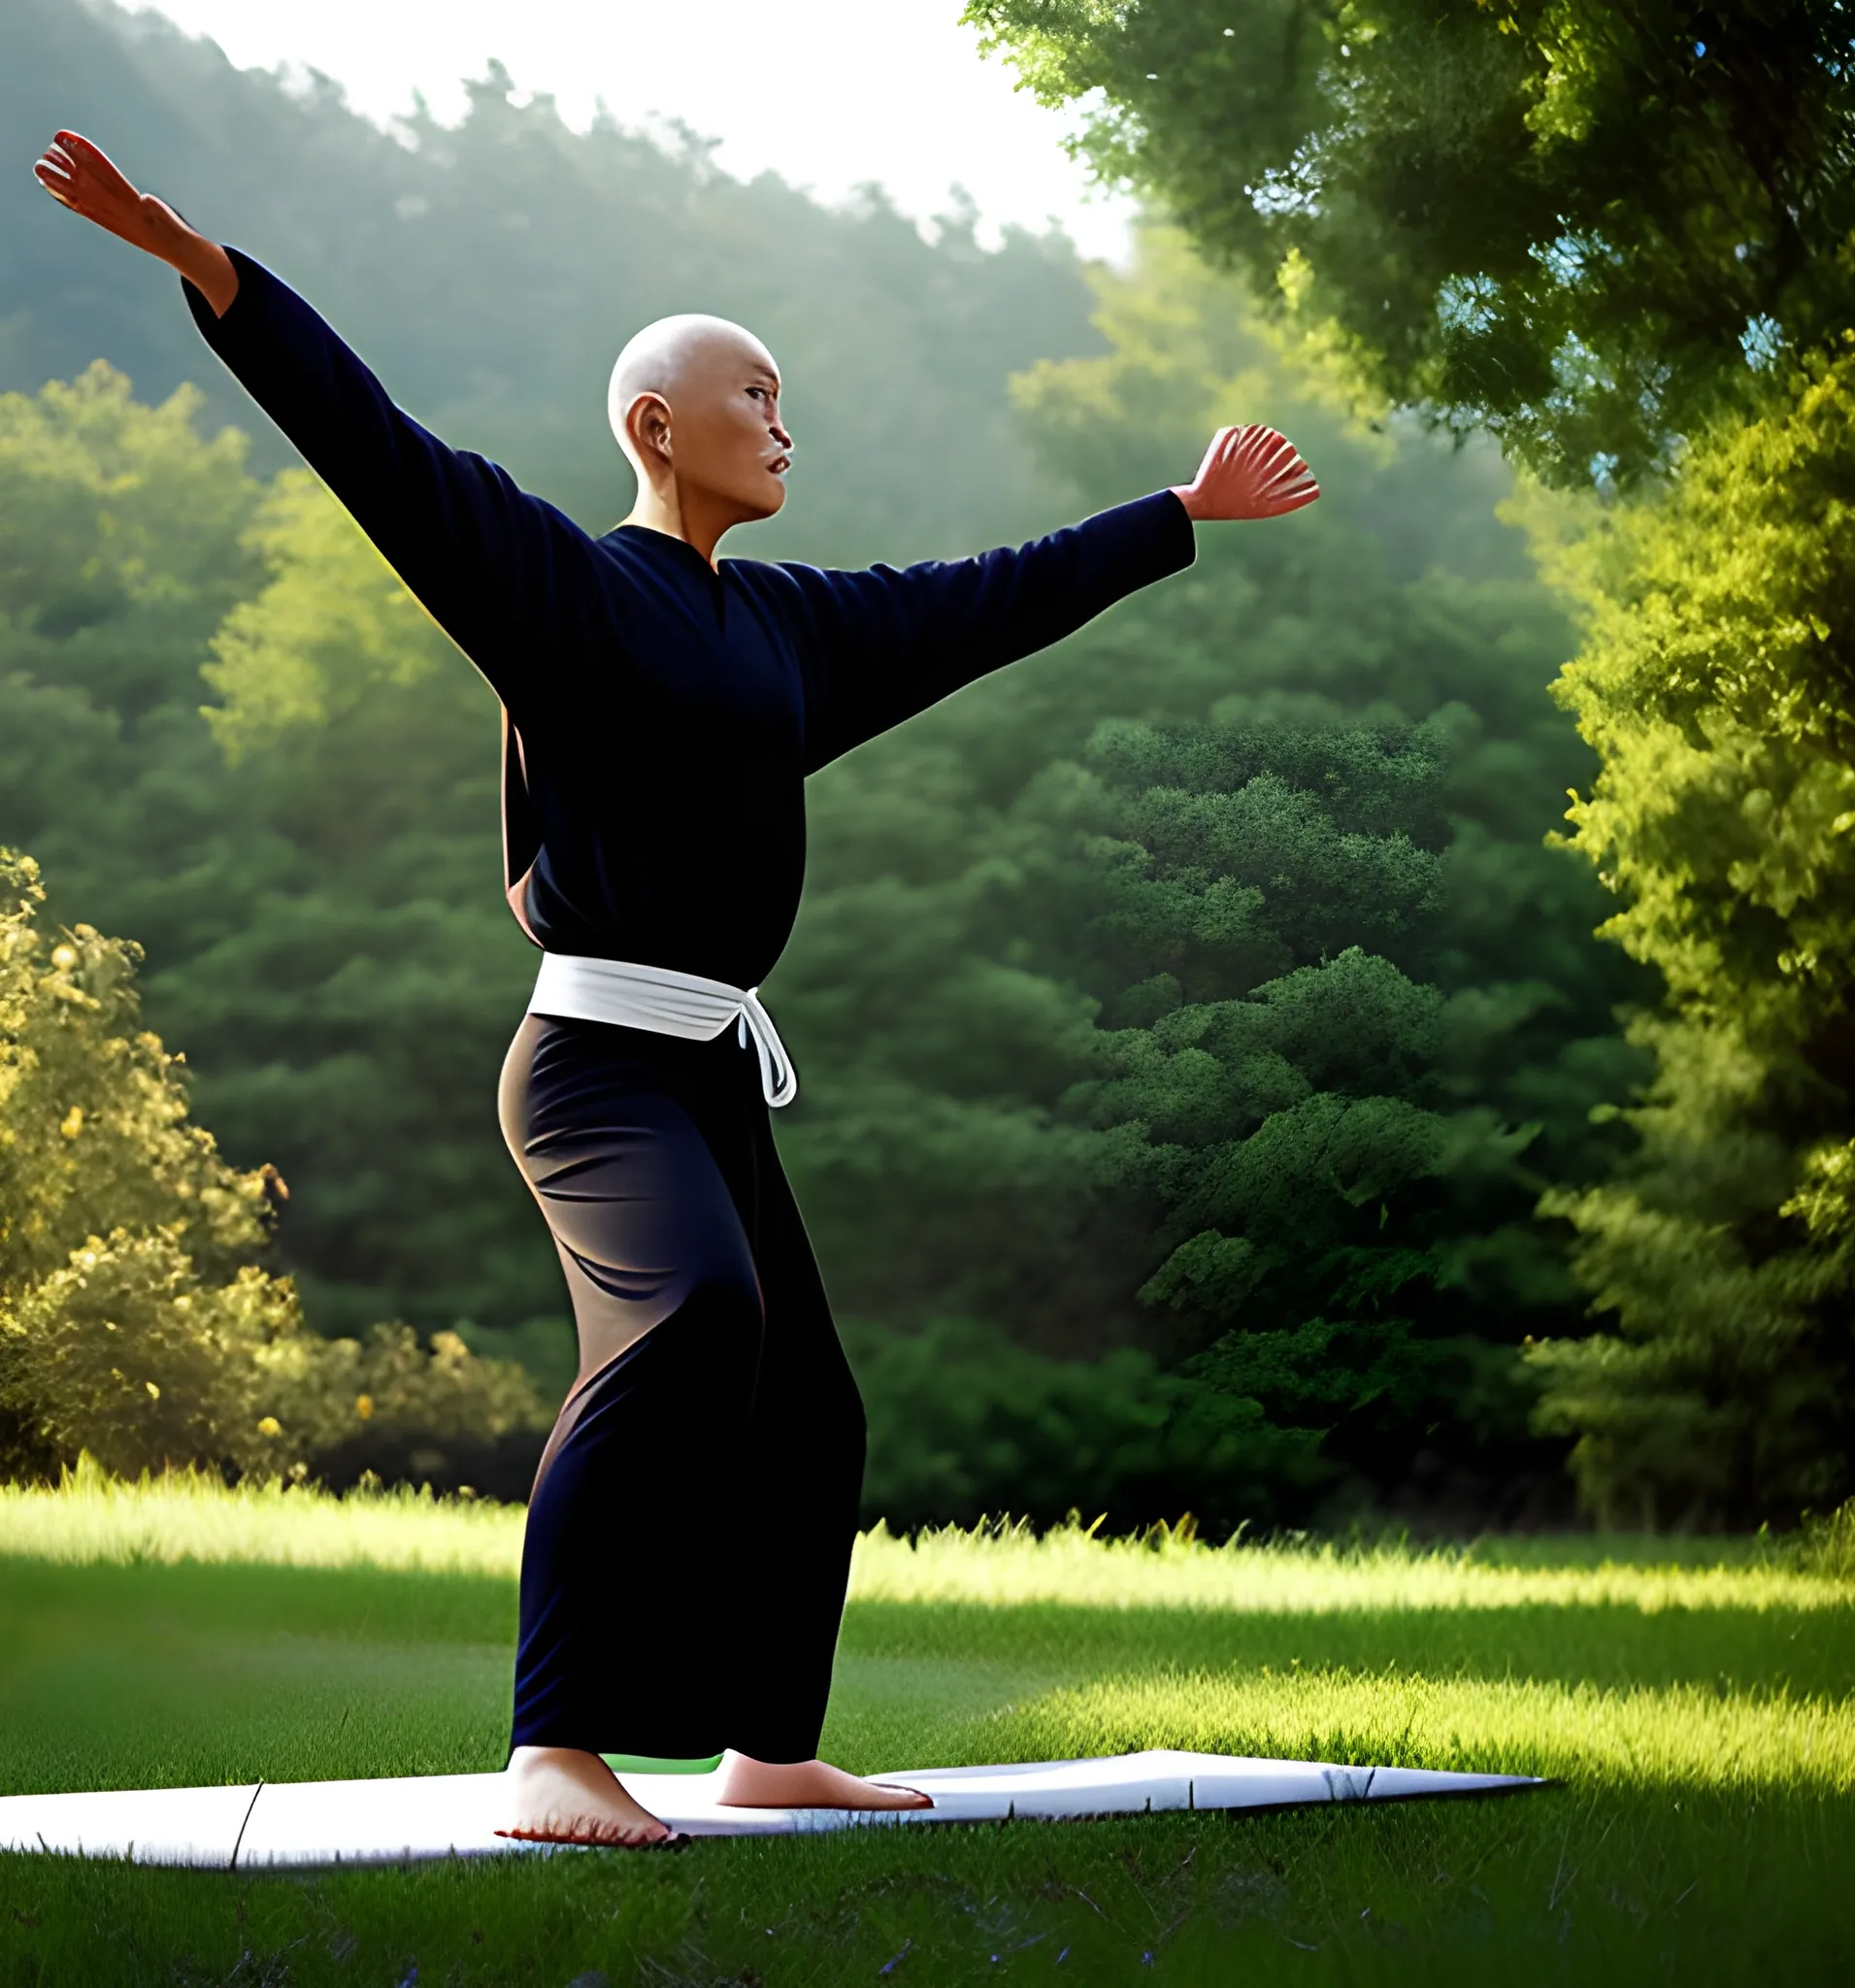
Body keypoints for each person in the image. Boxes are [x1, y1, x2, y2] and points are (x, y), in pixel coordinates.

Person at [32, 128, 1320, 1849]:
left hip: (711, 1066)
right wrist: (213, 274)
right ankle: (552, 1750)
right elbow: (382, 453)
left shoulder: (784, 629)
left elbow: (979, 602)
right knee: (694, 1317)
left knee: (809, 1402)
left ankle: (767, 1746)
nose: (786, 424)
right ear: (657, 426)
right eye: (758, 396)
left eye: (789, 400)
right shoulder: (558, 590)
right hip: (590, 1066)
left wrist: (1173, 513)